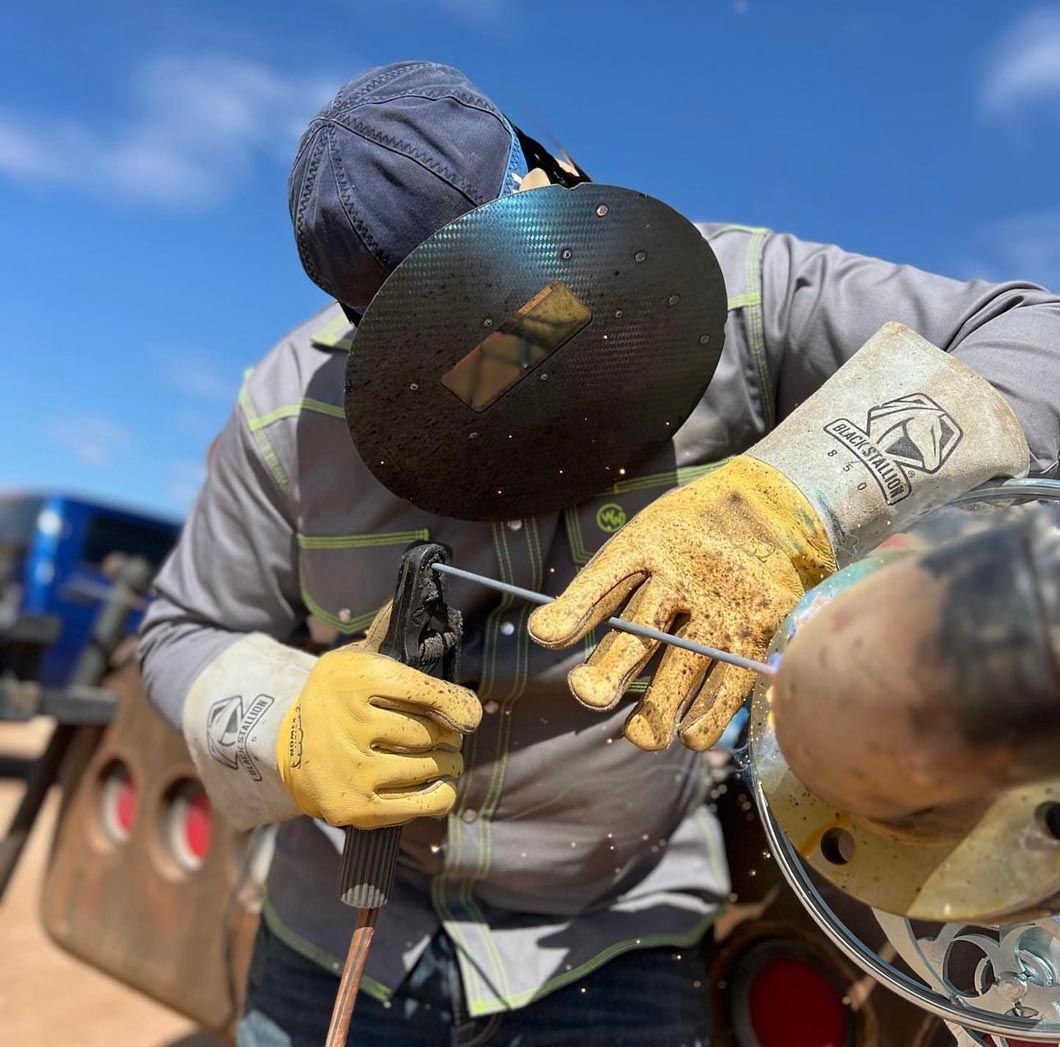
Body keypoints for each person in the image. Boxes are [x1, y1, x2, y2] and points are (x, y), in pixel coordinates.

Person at [138, 62, 1060, 1047]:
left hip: (612, 938)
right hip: (338, 937)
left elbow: (1035, 337)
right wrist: (287, 721)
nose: (500, 364)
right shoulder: (287, 415)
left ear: (557, 180)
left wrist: (794, 500)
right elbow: (183, 630)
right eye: (447, 353)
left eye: (521, 306)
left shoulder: (743, 302)